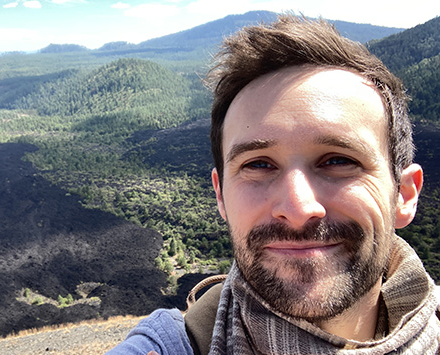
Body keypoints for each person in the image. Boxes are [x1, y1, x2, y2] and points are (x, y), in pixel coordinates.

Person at [107, 14, 440, 354]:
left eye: (339, 160)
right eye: (258, 164)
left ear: (404, 193)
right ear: (220, 195)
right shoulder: (170, 346)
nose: (296, 209)